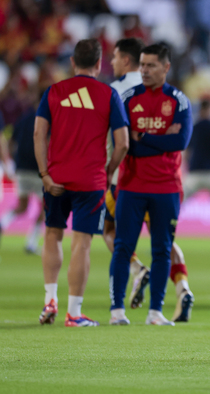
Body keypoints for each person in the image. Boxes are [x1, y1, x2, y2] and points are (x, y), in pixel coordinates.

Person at [35, 39, 130, 327]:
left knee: (52, 234)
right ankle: (74, 313)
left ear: (73, 62)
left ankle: (50, 299)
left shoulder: (54, 91)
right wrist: (109, 170)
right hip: (90, 181)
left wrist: (44, 175)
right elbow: (123, 143)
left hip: (56, 178)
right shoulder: (108, 93)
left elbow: (39, 134)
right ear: (99, 64)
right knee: (82, 243)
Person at [106, 38, 195, 322]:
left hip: (167, 187)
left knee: (162, 250)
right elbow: (126, 144)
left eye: (151, 65)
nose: (144, 70)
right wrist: (161, 139)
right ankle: (117, 310)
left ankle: (155, 311)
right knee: (123, 247)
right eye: (142, 65)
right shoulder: (128, 98)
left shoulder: (179, 100)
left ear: (166, 67)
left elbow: (180, 142)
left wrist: (143, 137)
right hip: (131, 186)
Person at [0, 91, 44, 254]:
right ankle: (31, 243)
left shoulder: (25, 117)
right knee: (45, 208)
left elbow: (11, 140)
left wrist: (12, 161)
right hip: (38, 170)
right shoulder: (48, 119)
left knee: (22, 205)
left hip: (22, 169)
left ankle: (3, 222)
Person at [183, 98, 210, 200]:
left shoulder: (193, 127)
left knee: (181, 198)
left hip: (195, 173)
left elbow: (187, 153)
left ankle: (175, 216)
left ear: (200, 110)